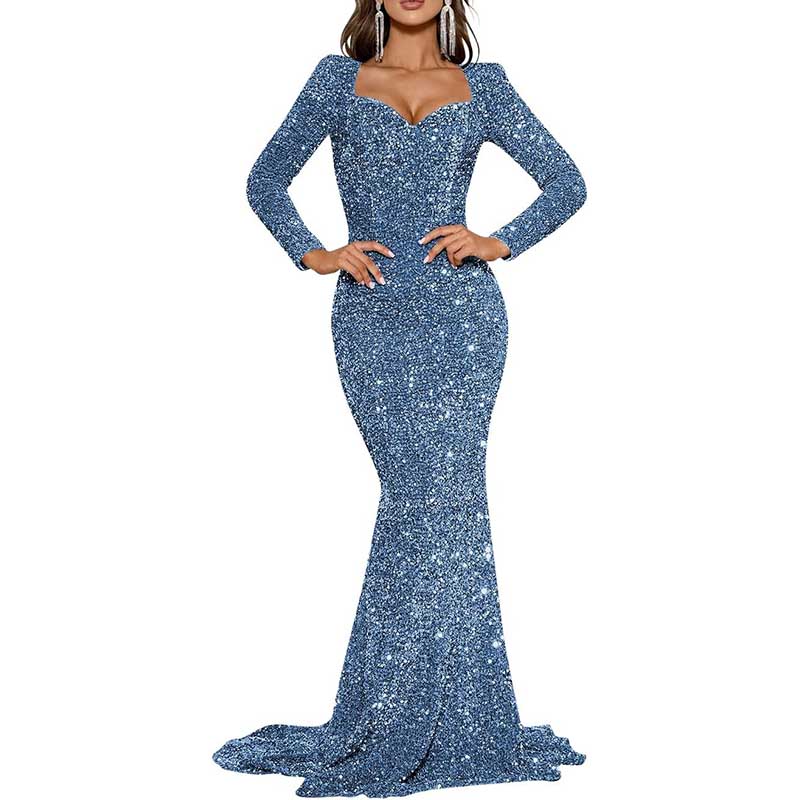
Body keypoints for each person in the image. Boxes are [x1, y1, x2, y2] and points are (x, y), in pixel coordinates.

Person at [213, 1, 587, 796]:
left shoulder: (484, 86)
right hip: (372, 315)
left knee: (450, 506)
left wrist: (498, 240)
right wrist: (314, 252)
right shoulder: (336, 81)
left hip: (465, 319)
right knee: (417, 501)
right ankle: (394, 714)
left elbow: (568, 182)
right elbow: (264, 179)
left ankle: (453, 715)